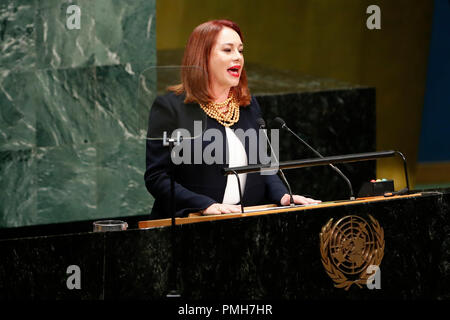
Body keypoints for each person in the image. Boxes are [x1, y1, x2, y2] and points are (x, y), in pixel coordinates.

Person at [144, 19, 320, 219]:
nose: (238, 57)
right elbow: (157, 178)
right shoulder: (170, 108)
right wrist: (205, 205)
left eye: (240, 50)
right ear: (202, 57)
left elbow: (264, 166)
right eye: (228, 50)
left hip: (246, 224)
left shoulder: (247, 105)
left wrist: (283, 196)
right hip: (191, 224)